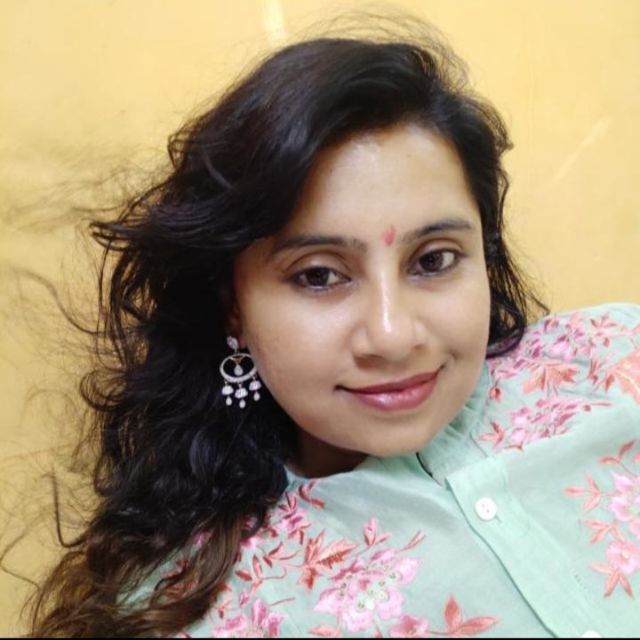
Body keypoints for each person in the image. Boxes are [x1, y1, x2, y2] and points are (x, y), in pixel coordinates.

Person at [26, 19, 640, 638]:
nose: (393, 335)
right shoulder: (195, 608)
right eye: (319, 276)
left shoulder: (616, 358)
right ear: (232, 303)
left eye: (433, 261)